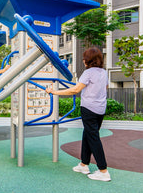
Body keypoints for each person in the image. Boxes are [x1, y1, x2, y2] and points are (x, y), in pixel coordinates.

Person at [46, 47, 111, 182]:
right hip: (100, 109)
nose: (83, 60)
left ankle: (103, 171)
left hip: (89, 109)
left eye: (84, 58)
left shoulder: (88, 73)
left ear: (88, 60)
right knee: (88, 135)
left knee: (93, 138)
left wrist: (54, 92)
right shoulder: (104, 72)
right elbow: (105, 88)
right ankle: (84, 165)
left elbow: (75, 90)